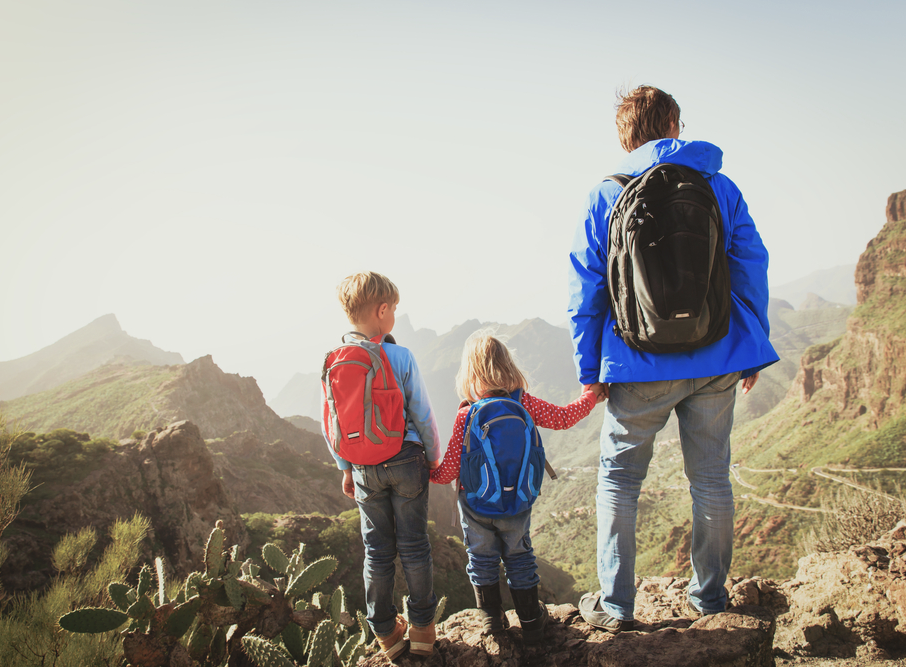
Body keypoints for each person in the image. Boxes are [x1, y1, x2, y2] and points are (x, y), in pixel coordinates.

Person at [567, 85, 779, 633]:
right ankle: (709, 599)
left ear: (625, 136)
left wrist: (590, 373)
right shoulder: (719, 185)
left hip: (636, 363)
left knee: (619, 482)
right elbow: (751, 265)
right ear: (673, 126)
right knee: (710, 480)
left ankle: (616, 608)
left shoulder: (605, 194)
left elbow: (586, 290)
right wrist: (752, 348)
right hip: (716, 356)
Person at [429, 330, 602, 643]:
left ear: (470, 375)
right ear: (508, 367)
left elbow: (448, 471)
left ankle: (491, 622)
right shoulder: (523, 402)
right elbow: (563, 418)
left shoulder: (467, 414)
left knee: (481, 560)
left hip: (476, 505)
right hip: (518, 501)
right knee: (520, 558)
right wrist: (591, 396)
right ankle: (532, 621)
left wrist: (426, 470)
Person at [320, 271, 442, 658]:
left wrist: (345, 467)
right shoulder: (400, 356)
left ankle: (386, 633)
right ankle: (422, 630)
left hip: (363, 469)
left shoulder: (333, 361)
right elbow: (422, 412)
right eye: (394, 310)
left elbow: (331, 423)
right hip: (406, 460)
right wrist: (434, 456)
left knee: (377, 552)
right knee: (414, 546)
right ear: (383, 309)